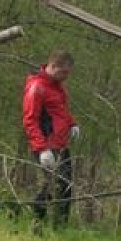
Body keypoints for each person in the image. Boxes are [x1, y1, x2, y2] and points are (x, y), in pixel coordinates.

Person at [22, 50, 79, 226]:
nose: (66, 77)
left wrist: (72, 124)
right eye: (64, 72)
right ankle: (36, 220)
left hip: (61, 144)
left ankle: (61, 226)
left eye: (68, 73)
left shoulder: (57, 86)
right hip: (46, 144)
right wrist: (42, 149)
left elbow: (59, 110)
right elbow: (30, 120)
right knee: (51, 186)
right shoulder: (37, 87)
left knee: (65, 186)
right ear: (53, 66)